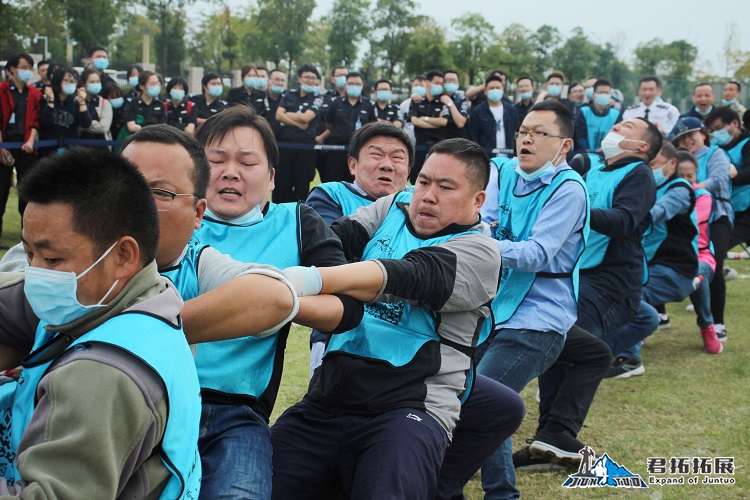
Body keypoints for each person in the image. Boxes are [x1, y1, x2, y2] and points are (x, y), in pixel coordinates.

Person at [271, 139, 523, 499]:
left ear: (478, 201)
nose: (428, 196)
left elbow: (407, 276)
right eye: (423, 182)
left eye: (445, 187)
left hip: (410, 408)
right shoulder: (392, 207)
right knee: (261, 483)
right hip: (328, 399)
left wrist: (310, 280)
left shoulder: (481, 251)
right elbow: (334, 242)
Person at [0, 148, 202, 498]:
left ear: (123, 256)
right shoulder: (153, 297)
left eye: (51, 258)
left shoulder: (100, 376)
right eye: (28, 253)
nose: (34, 274)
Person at [192, 106, 363, 498]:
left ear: (271, 178)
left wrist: (275, 301)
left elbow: (346, 310)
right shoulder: (173, 218)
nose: (230, 171)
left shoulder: (297, 222)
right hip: (153, 396)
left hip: (238, 412)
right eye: (215, 161)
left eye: (247, 162)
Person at [475, 100, 604, 498]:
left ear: (564, 145)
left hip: (538, 320)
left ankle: (501, 493)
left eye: (538, 133)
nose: (526, 138)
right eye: (522, 131)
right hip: (496, 310)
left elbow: (536, 253)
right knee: (466, 394)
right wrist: (479, 236)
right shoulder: (505, 172)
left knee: (484, 402)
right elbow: (485, 220)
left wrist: (477, 245)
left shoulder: (569, 190)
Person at [533, 117, 661, 463]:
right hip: (579, 277)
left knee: (581, 351)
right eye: (617, 124)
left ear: (643, 146)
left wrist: (574, 209)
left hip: (611, 283)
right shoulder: (593, 169)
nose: (616, 129)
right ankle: (547, 437)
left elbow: (624, 221)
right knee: (557, 346)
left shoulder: (639, 174)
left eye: (626, 127)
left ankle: (558, 431)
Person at [606, 142, 704, 378]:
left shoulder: (679, 189)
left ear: (672, 164)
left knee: (632, 297)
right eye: (646, 164)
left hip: (675, 270)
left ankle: (629, 358)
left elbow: (657, 213)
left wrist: (624, 215)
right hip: (650, 267)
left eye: (654, 164)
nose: (648, 169)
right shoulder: (644, 186)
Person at [669, 116, 732, 342]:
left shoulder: (716, 154)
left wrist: (689, 187)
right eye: (682, 137)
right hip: (683, 217)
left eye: (691, 134)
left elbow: (717, 179)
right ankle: (658, 314)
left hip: (717, 216)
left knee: (714, 265)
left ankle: (717, 322)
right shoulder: (674, 159)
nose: (688, 140)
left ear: (703, 134)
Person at [676, 151, 721, 352]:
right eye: (680, 176)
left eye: (690, 176)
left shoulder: (704, 196)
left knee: (696, 275)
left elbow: (690, 219)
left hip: (700, 255)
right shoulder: (660, 192)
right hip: (667, 255)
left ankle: (707, 326)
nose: (686, 181)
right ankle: (636, 334)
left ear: (697, 175)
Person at [0, 53, 41, 242]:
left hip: (26, 147)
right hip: (4, 146)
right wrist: (1, 147)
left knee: (27, 192)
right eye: (23, 67)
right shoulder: (1, 90)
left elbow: (35, 119)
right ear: (12, 69)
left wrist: (31, 140)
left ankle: (27, 237)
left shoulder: (34, 93)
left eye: (29, 68)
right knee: (1, 192)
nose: (27, 71)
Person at [275, 64, 324, 202]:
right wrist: (299, 123)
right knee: (281, 185)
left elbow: (306, 118)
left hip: (306, 149)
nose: (310, 80)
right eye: (307, 77)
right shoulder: (289, 95)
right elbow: (278, 115)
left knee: (302, 187)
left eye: (313, 78)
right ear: (299, 79)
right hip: (286, 147)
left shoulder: (318, 98)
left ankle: (299, 218)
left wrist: (288, 115)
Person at [706, 107, 750, 252]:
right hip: (721, 209)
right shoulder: (713, 148)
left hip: (744, 212)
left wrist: (732, 175)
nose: (716, 134)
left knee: (716, 248)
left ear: (735, 123)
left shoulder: (747, 144)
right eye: (712, 131)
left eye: (719, 128)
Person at [320, 71, 376, 183]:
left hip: (359, 152)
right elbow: (329, 125)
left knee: (356, 186)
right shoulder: (335, 103)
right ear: (346, 85)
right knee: (333, 184)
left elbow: (372, 127)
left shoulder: (368, 104)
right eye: (351, 83)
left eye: (357, 83)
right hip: (337, 152)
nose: (354, 86)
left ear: (362, 85)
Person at [39, 67, 92, 158]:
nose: (70, 83)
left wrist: (82, 102)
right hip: (48, 148)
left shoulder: (76, 100)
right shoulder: (47, 98)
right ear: (58, 81)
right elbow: (44, 122)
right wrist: (51, 101)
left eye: (72, 81)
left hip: (70, 148)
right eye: (66, 80)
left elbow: (86, 123)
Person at [409, 69, 449, 183]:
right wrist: (435, 123)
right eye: (437, 83)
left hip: (437, 147)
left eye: (442, 84)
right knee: (416, 180)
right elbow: (415, 121)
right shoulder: (417, 100)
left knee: (436, 179)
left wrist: (425, 119)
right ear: (427, 82)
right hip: (420, 146)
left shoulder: (443, 101)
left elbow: (444, 122)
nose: (439, 86)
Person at [468, 75, 518, 157]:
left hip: (509, 159)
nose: (495, 90)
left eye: (498, 87)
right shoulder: (477, 111)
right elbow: (473, 137)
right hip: (487, 158)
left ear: (503, 90)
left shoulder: (511, 110)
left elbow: (516, 133)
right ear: (485, 91)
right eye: (491, 88)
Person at [574, 79, 622, 153]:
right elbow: (580, 136)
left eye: (606, 93)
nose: (603, 95)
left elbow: (617, 136)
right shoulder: (584, 111)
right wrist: (588, 151)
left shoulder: (616, 114)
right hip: (586, 155)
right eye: (601, 92)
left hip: (608, 154)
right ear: (594, 94)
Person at [120, 70, 166, 138]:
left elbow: (163, 127)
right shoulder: (131, 103)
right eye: (152, 84)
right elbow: (132, 127)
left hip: (156, 141)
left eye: (157, 83)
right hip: (137, 140)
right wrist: (152, 131)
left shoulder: (160, 104)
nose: (155, 86)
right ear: (142, 86)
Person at [78, 68, 113, 145]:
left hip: (101, 147)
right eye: (92, 82)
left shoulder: (104, 103)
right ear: (83, 83)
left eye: (98, 81)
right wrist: (95, 123)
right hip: (80, 146)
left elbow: (103, 128)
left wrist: (85, 124)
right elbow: (75, 125)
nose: (96, 84)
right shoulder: (77, 101)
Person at [442, 69, 470, 139]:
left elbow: (460, 123)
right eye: (448, 80)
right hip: (438, 140)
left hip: (456, 141)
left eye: (454, 81)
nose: (451, 83)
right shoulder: (437, 98)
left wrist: (450, 104)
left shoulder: (462, 100)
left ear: (457, 83)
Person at [400, 75, 425, 144]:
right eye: (416, 85)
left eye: (422, 85)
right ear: (411, 88)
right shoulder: (404, 104)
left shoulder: (429, 104)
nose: (419, 87)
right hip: (407, 142)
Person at [265, 68, 287, 140]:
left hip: (285, 141)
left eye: (282, 80)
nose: (280, 83)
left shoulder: (288, 98)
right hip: (266, 138)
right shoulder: (260, 97)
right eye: (277, 79)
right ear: (269, 81)